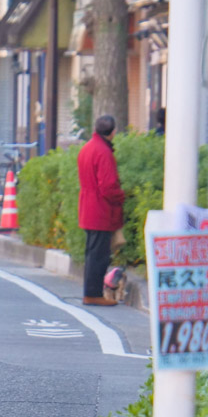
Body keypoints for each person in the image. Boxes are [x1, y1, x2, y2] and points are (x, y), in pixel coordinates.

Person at [78, 115, 126, 307]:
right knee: (99, 255)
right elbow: (108, 187)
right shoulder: (104, 152)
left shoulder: (87, 148)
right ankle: (93, 294)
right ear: (113, 132)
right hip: (100, 210)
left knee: (92, 253)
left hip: (87, 207)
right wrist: (122, 197)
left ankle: (91, 292)